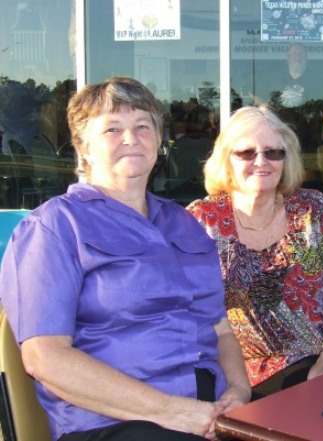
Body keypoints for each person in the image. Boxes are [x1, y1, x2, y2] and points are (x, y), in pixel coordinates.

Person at [0, 77, 251, 441]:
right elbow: (45, 358)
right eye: (112, 129)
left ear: (158, 140)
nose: (131, 139)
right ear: (82, 147)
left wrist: (239, 393)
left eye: (142, 126)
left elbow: (220, 330)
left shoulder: (185, 223)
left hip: (207, 415)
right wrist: (172, 412)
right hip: (113, 426)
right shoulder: (54, 227)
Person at [187, 105, 323, 400]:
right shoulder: (201, 222)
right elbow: (195, 317)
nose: (262, 161)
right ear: (227, 159)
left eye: (273, 152)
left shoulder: (317, 210)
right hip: (259, 372)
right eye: (247, 152)